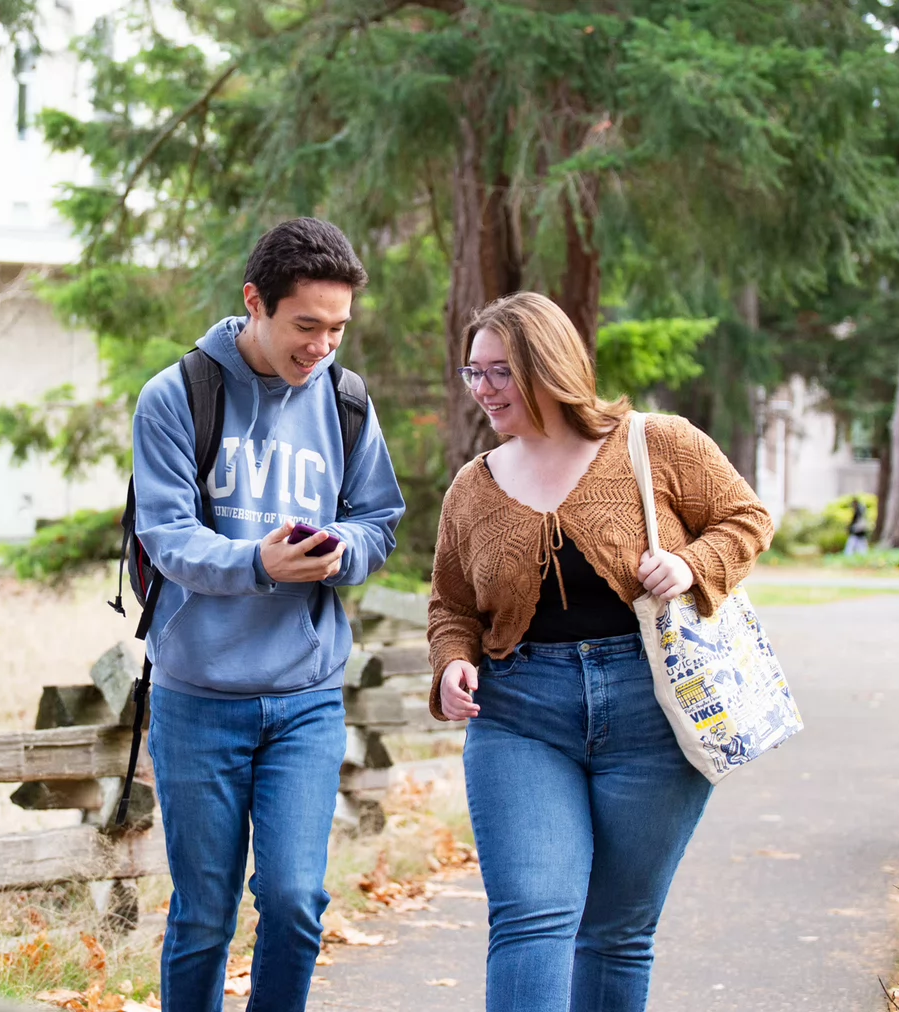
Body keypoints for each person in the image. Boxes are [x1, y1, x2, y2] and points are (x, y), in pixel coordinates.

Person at [427, 292, 773, 1012]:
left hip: (655, 712)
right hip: (520, 716)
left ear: (546, 367)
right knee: (532, 915)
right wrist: (452, 661)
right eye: (473, 373)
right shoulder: (473, 488)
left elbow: (746, 518)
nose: (482, 390)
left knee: (617, 931)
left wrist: (691, 566)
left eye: (499, 372)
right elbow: (452, 604)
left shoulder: (657, 443)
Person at [132, 218, 406, 1012]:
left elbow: (378, 520)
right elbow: (167, 535)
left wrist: (337, 550)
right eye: (306, 325)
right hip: (198, 700)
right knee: (203, 917)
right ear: (256, 302)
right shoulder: (177, 395)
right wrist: (259, 562)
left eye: (338, 328)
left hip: (306, 700)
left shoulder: (347, 401)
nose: (322, 346)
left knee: (292, 903)